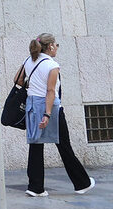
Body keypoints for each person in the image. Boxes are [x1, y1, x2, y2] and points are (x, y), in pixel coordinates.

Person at [21, 32, 93, 197]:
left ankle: (35, 187)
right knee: (64, 146)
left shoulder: (28, 61)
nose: (57, 48)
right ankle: (82, 183)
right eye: (56, 45)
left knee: (35, 145)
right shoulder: (52, 65)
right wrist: (47, 114)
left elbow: (18, 80)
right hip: (50, 108)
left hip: (32, 106)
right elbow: (51, 91)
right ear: (50, 46)